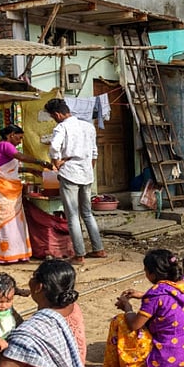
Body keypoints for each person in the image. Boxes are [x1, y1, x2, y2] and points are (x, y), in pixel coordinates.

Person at [101, 249, 184, 367]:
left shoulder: (155, 295)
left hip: (167, 359)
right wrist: (143, 295)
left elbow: (135, 324)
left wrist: (127, 307)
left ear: (152, 274)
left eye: (146, 271)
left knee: (120, 321)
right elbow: (171, 297)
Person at [44, 98, 106, 265]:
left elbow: (54, 148)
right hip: (86, 174)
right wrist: (88, 168)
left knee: (72, 215)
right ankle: (98, 249)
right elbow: (94, 152)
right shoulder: (88, 126)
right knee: (87, 213)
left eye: (52, 116)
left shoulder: (61, 127)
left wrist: (57, 163)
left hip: (69, 173)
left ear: (57, 114)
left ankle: (79, 255)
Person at [0, 125, 51, 264]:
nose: (20, 142)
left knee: (7, 222)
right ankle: (8, 254)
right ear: (12, 134)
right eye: (19, 138)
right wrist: (40, 162)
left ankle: (4, 254)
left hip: (2, 190)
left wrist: (30, 170)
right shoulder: (5, 145)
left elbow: (9, 168)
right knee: (7, 222)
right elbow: (20, 157)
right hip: (4, 191)